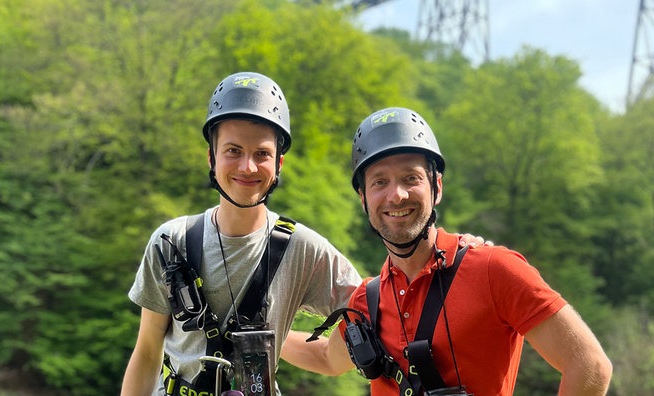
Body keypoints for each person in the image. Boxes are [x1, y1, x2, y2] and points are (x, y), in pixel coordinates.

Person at [120, 74, 484, 396]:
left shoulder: (301, 249)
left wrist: (461, 257)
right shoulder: (172, 242)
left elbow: (382, 305)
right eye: (233, 151)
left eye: (261, 153)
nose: (247, 166)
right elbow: (148, 351)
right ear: (211, 157)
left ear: (278, 163)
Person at [281, 107, 613, 395]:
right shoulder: (365, 302)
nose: (396, 195)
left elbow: (590, 366)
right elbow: (326, 357)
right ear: (364, 199)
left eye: (410, 178)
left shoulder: (494, 270)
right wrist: (263, 337)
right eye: (379, 182)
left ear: (436, 187)